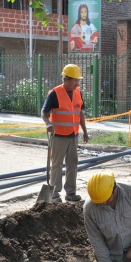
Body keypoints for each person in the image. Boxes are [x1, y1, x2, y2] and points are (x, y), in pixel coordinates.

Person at [41, 64, 89, 202]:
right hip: (58, 136)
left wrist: (85, 132)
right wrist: (48, 123)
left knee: (72, 163)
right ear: (66, 79)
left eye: (78, 80)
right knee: (56, 164)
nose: (77, 83)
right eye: (75, 80)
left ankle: (71, 192)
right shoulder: (54, 93)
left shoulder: (78, 92)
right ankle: (55, 194)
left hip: (73, 135)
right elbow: (44, 112)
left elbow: (80, 113)